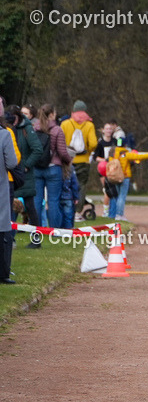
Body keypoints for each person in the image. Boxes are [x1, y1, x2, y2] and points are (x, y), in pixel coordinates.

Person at [6, 105, 43, 247]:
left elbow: (37, 149)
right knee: (11, 206)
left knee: (29, 206)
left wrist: (26, 166)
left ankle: (36, 239)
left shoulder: (27, 129)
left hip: (24, 174)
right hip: (13, 173)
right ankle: (10, 239)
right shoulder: (9, 130)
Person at [34, 104, 72, 228]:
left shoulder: (35, 128)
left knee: (37, 200)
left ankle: (36, 229)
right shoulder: (57, 130)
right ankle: (54, 231)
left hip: (37, 168)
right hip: (53, 168)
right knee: (53, 201)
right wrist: (68, 160)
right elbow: (62, 151)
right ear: (51, 114)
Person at [60, 100, 97, 220]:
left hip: (67, 160)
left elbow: (60, 142)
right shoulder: (89, 125)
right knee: (81, 185)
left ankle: (66, 210)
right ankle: (77, 212)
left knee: (66, 185)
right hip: (83, 161)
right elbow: (93, 143)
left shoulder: (65, 124)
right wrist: (88, 151)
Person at [109, 136, 148, 221]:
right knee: (122, 196)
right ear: (125, 145)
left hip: (114, 177)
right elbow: (138, 157)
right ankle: (120, 214)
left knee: (118, 196)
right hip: (124, 177)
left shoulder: (113, 154)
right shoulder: (125, 154)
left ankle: (115, 214)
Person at [1, 115, 18, 283]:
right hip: (2, 186)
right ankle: (3, 273)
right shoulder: (5, 134)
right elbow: (13, 162)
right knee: (3, 230)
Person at [93, 122, 118, 217]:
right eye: (107, 129)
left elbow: (120, 150)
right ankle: (106, 211)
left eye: (110, 129)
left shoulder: (115, 141)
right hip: (103, 169)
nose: (108, 131)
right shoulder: (100, 143)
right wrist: (105, 160)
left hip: (114, 168)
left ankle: (113, 210)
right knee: (107, 190)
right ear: (103, 130)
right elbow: (95, 157)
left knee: (114, 190)